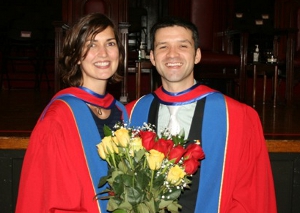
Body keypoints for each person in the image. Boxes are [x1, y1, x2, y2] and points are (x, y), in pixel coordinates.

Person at [126, 17, 277, 213]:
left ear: (197, 55)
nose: (173, 54)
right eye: (163, 47)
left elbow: (251, 197)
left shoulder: (237, 117)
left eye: (183, 46)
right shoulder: (132, 114)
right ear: (152, 57)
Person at [15, 13, 128, 213]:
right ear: (75, 56)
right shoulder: (60, 117)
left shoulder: (120, 112)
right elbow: (54, 197)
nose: (103, 53)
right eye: (92, 45)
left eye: (110, 43)